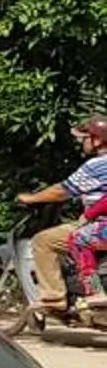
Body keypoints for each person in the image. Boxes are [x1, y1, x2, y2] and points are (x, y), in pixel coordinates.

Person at [19, 113, 107, 311]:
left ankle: (54, 298)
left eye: (84, 138)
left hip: (101, 225)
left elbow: (63, 191)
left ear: (97, 139)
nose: (81, 143)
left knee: (44, 241)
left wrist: (31, 198)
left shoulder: (97, 165)